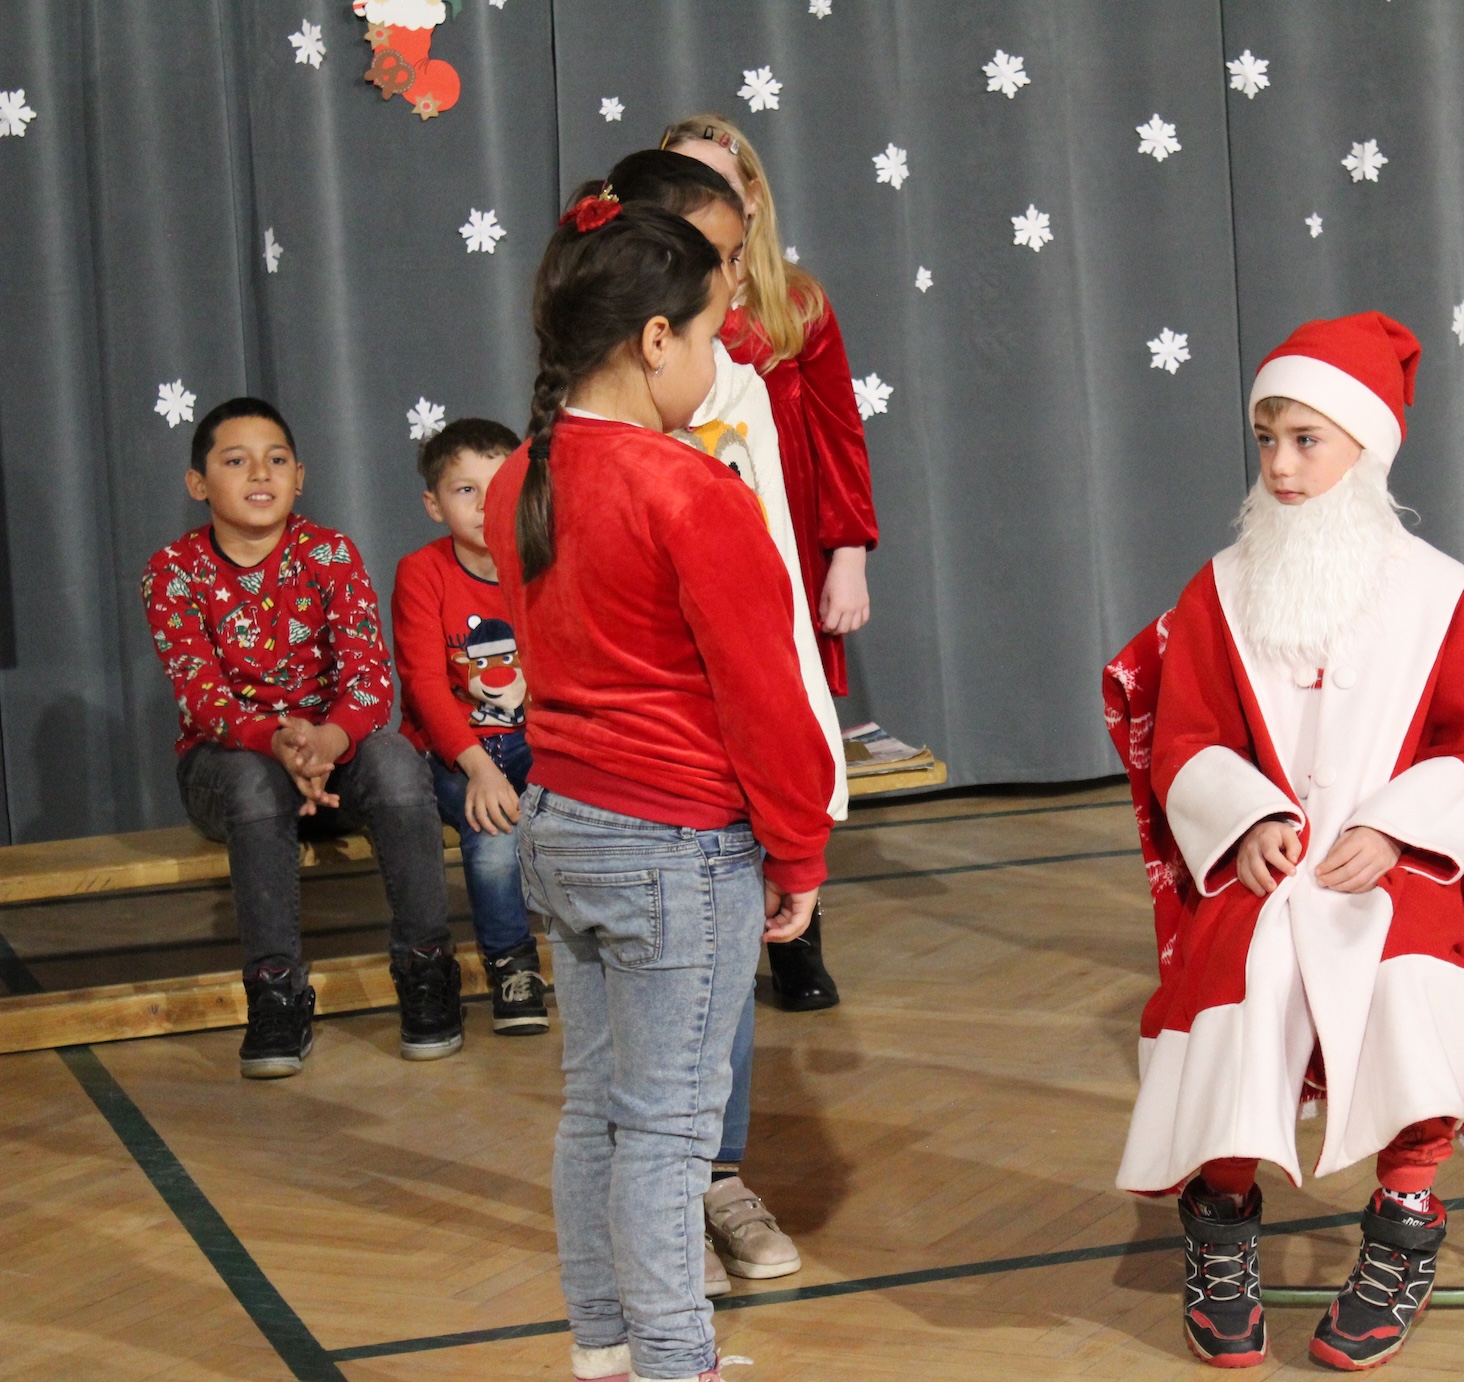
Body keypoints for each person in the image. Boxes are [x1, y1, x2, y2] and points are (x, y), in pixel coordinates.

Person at [486, 197, 832, 1382]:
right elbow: (764, 697)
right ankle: (676, 1363)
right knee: (670, 1133)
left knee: (596, 1109)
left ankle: (608, 1348)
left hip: (561, 826)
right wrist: (798, 849)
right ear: (651, 339)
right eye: (711, 334)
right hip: (674, 844)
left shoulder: (519, 476)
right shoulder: (688, 489)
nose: (721, 357)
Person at [1121, 313, 1464, 1371]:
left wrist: (1391, 826)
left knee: (1403, 979)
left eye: (1306, 441)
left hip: (1394, 863)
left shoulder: (1443, 596)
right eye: (1267, 440)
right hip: (1271, 861)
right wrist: (1245, 816)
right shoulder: (1221, 587)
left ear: (1365, 444)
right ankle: (1221, 1215)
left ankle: (1405, 1219)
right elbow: (1188, 736)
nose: (1281, 467)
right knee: (1238, 975)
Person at [588, 147, 851, 1295]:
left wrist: (805, 769)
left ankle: (714, 1175)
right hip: (630, 774)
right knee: (638, 1008)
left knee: (720, 976)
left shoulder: (732, 390)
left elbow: (771, 594)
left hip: (726, 764)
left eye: (741, 255)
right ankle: (652, 1213)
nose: (736, 281)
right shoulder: (586, 425)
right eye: (716, 257)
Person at [142, 397, 463, 1079]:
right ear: (198, 483)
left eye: (277, 459)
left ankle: (426, 968)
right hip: (231, 766)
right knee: (253, 780)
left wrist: (328, 741)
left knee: (397, 760)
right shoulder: (172, 570)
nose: (260, 473)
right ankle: (276, 993)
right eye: (236, 461)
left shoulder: (329, 553)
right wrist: (278, 742)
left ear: (300, 477)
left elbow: (369, 678)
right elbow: (202, 696)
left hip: (330, 756)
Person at [663, 112, 878, 1010]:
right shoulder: (653, 304)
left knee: (782, 721)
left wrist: (848, 553)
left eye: (719, 181)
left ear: (750, 197)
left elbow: (838, 432)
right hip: (687, 543)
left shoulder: (796, 305)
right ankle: (712, 924)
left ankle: (799, 930)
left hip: (781, 541)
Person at [391, 416, 550, 1035]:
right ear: (434, 505)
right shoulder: (422, 572)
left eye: (500, 486)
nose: (486, 505)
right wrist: (479, 767)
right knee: (493, 828)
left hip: (536, 740)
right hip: (455, 751)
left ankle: (606, 947)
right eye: (466, 491)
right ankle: (512, 964)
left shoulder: (541, 563)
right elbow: (426, 686)